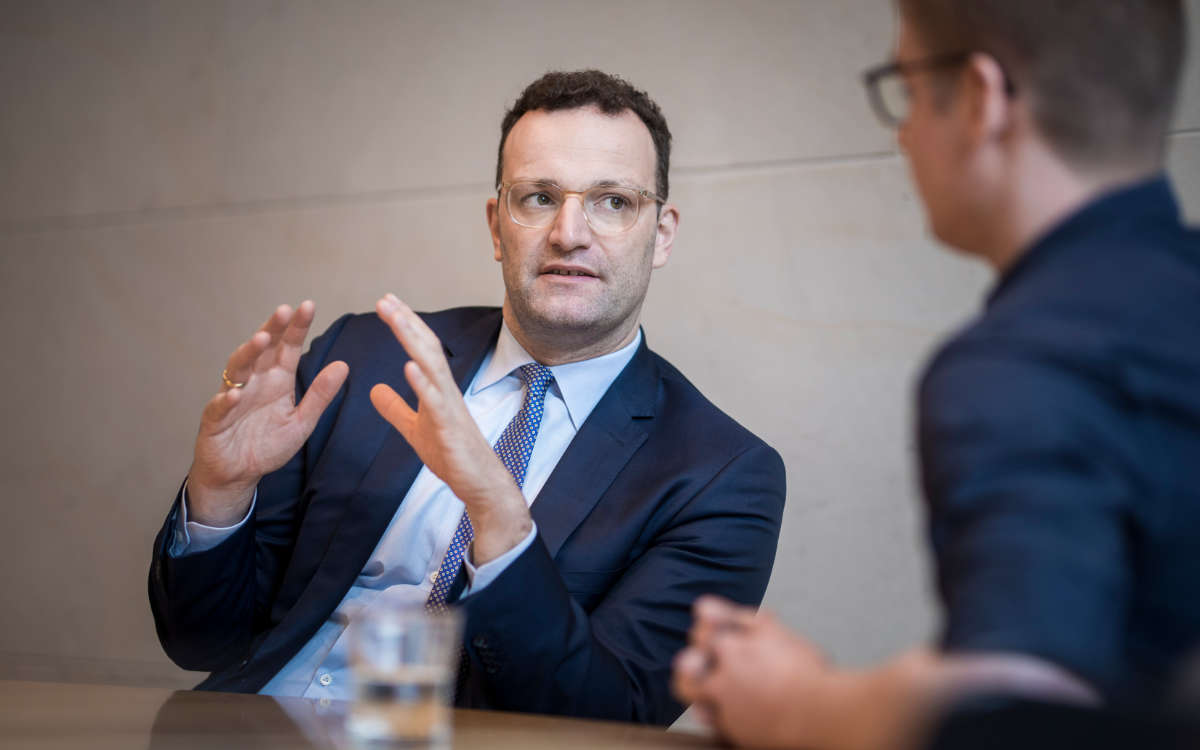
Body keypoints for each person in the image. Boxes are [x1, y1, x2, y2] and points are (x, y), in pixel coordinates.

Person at [148, 69, 786, 726]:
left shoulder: (722, 476)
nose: (569, 231)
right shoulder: (363, 359)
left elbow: (614, 717)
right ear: (495, 225)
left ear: (664, 233)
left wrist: (497, 514)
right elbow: (202, 643)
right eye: (539, 197)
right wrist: (220, 495)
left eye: (613, 201)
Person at [673, 1, 1199, 747]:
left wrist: (797, 706)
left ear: (983, 98)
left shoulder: (1022, 363)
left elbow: (1015, 718)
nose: (903, 132)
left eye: (909, 88)